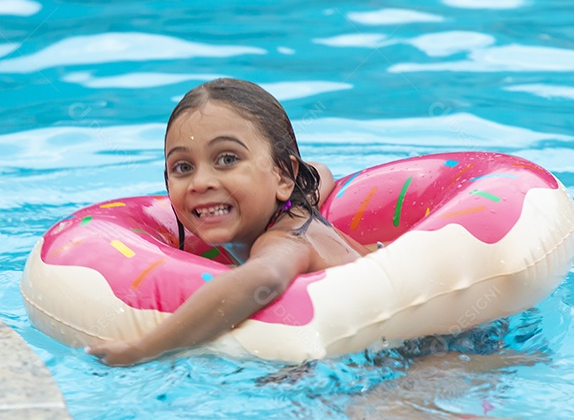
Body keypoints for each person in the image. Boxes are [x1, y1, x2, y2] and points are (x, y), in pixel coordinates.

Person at [86, 78, 369, 366]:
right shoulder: (300, 199)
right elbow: (320, 172)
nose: (201, 183)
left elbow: (264, 277)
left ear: (283, 176)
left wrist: (144, 350)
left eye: (227, 159)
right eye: (183, 167)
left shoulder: (286, 238)